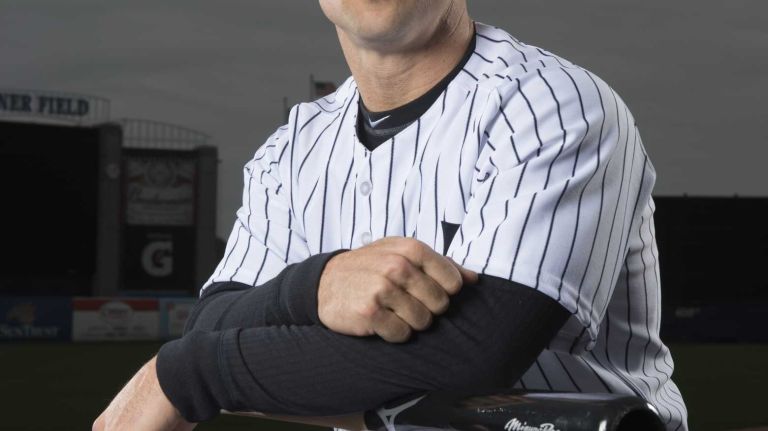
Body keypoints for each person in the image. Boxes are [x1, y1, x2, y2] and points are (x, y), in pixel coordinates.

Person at [94, 1, 688, 430]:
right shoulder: (291, 149)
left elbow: (477, 352)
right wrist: (315, 287)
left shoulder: (554, 104)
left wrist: (192, 373)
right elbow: (214, 321)